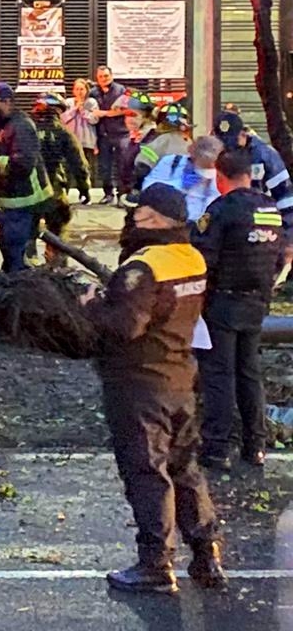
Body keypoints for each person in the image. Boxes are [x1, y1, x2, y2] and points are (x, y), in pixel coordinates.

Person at [82, 184, 223, 593]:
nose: (133, 218)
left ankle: (155, 565)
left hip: (140, 384)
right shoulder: (190, 257)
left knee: (147, 471)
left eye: (139, 212)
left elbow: (125, 326)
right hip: (180, 376)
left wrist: (91, 303)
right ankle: (206, 551)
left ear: (157, 218)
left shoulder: (143, 268)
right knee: (185, 468)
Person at [193, 149, 283, 471]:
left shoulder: (219, 210)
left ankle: (218, 448)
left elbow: (203, 257)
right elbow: (277, 258)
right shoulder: (270, 208)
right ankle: (255, 446)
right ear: (251, 174)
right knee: (249, 373)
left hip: (223, 303)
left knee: (219, 375)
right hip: (256, 304)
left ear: (219, 177)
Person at [0, 84, 51, 272]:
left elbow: (23, 163)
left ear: (7, 102)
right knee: (11, 248)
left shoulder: (21, 125)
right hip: (13, 199)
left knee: (14, 247)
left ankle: (18, 284)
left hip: (24, 198)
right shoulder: (4, 125)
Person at [212, 110, 293, 235]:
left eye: (233, 142)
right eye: (224, 142)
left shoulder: (265, 156)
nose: (229, 147)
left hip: (263, 225)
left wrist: (288, 237)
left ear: (243, 135)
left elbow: (286, 198)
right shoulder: (215, 154)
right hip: (229, 222)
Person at [144, 135, 223, 223]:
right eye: (205, 165)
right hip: (168, 218)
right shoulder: (172, 162)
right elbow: (147, 187)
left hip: (196, 223)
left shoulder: (219, 174)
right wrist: (178, 184)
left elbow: (216, 204)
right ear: (194, 157)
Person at [32, 93, 91, 203]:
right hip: (52, 186)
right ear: (57, 110)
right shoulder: (63, 133)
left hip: (27, 188)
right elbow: (78, 163)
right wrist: (84, 188)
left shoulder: (25, 129)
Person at [91, 66, 130, 204]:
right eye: (101, 76)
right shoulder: (93, 92)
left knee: (122, 165)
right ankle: (108, 194)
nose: (103, 79)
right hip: (103, 135)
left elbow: (126, 110)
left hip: (121, 134)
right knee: (104, 166)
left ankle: (122, 195)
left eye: (106, 76)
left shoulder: (121, 90)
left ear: (111, 76)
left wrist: (105, 113)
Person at [132, 104, 190, 195]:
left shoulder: (159, 141)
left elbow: (142, 166)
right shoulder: (189, 142)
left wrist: (136, 189)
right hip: (182, 192)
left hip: (156, 190)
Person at [64, 78, 100, 177]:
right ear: (73, 90)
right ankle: (66, 189)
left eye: (82, 89)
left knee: (84, 167)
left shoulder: (91, 102)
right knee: (68, 167)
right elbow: (63, 118)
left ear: (86, 90)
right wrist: (75, 109)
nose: (79, 92)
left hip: (86, 140)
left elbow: (95, 119)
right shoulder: (68, 102)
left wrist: (83, 111)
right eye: (77, 89)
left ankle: (84, 190)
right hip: (71, 140)